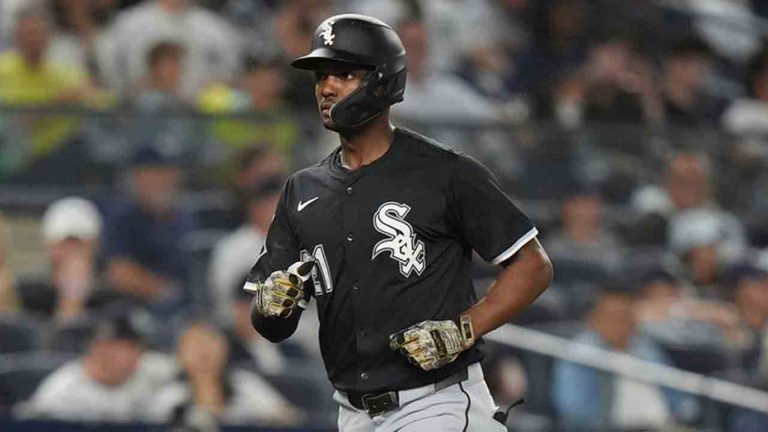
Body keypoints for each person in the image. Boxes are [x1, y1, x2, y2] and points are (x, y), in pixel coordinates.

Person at [244, 14, 552, 431]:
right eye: (321, 77)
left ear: (384, 81)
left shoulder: (445, 172)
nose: (327, 88)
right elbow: (270, 324)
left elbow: (532, 264)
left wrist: (464, 329)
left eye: (345, 74)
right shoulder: (302, 190)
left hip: (435, 402)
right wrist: (270, 305)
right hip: (352, 413)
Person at [20, 309, 177, 422]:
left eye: (140, 348)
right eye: (128, 348)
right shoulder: (62, 393)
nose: (137, 355)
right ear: (99, 348)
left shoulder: (152, 369)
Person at [146, 321, 301, 427]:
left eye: (210, 344)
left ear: (224, 350)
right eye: (195, 346)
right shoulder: (168, 397)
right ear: (180, 355)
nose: (204, 354)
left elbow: (288, 417)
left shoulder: (244, 385)